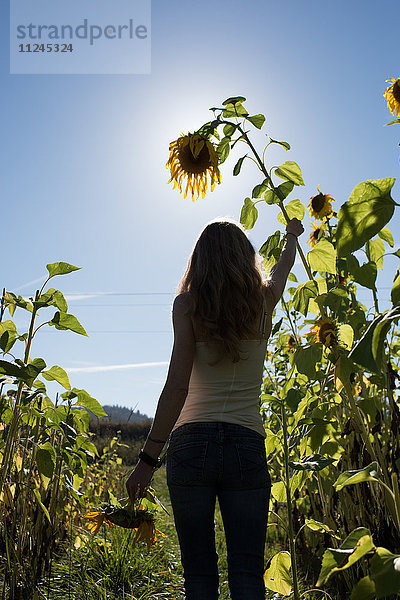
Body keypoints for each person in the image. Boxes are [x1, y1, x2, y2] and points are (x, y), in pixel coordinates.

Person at [126, 217, 304, 600]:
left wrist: (146, 460)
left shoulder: (187, 306)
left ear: (199, 261)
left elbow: (177, 387)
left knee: (200, 576)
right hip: (246, 444)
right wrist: (291, 234)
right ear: (245, 257)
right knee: (247, 573)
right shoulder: (263, 300)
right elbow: (284, 264)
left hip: (191, 447)